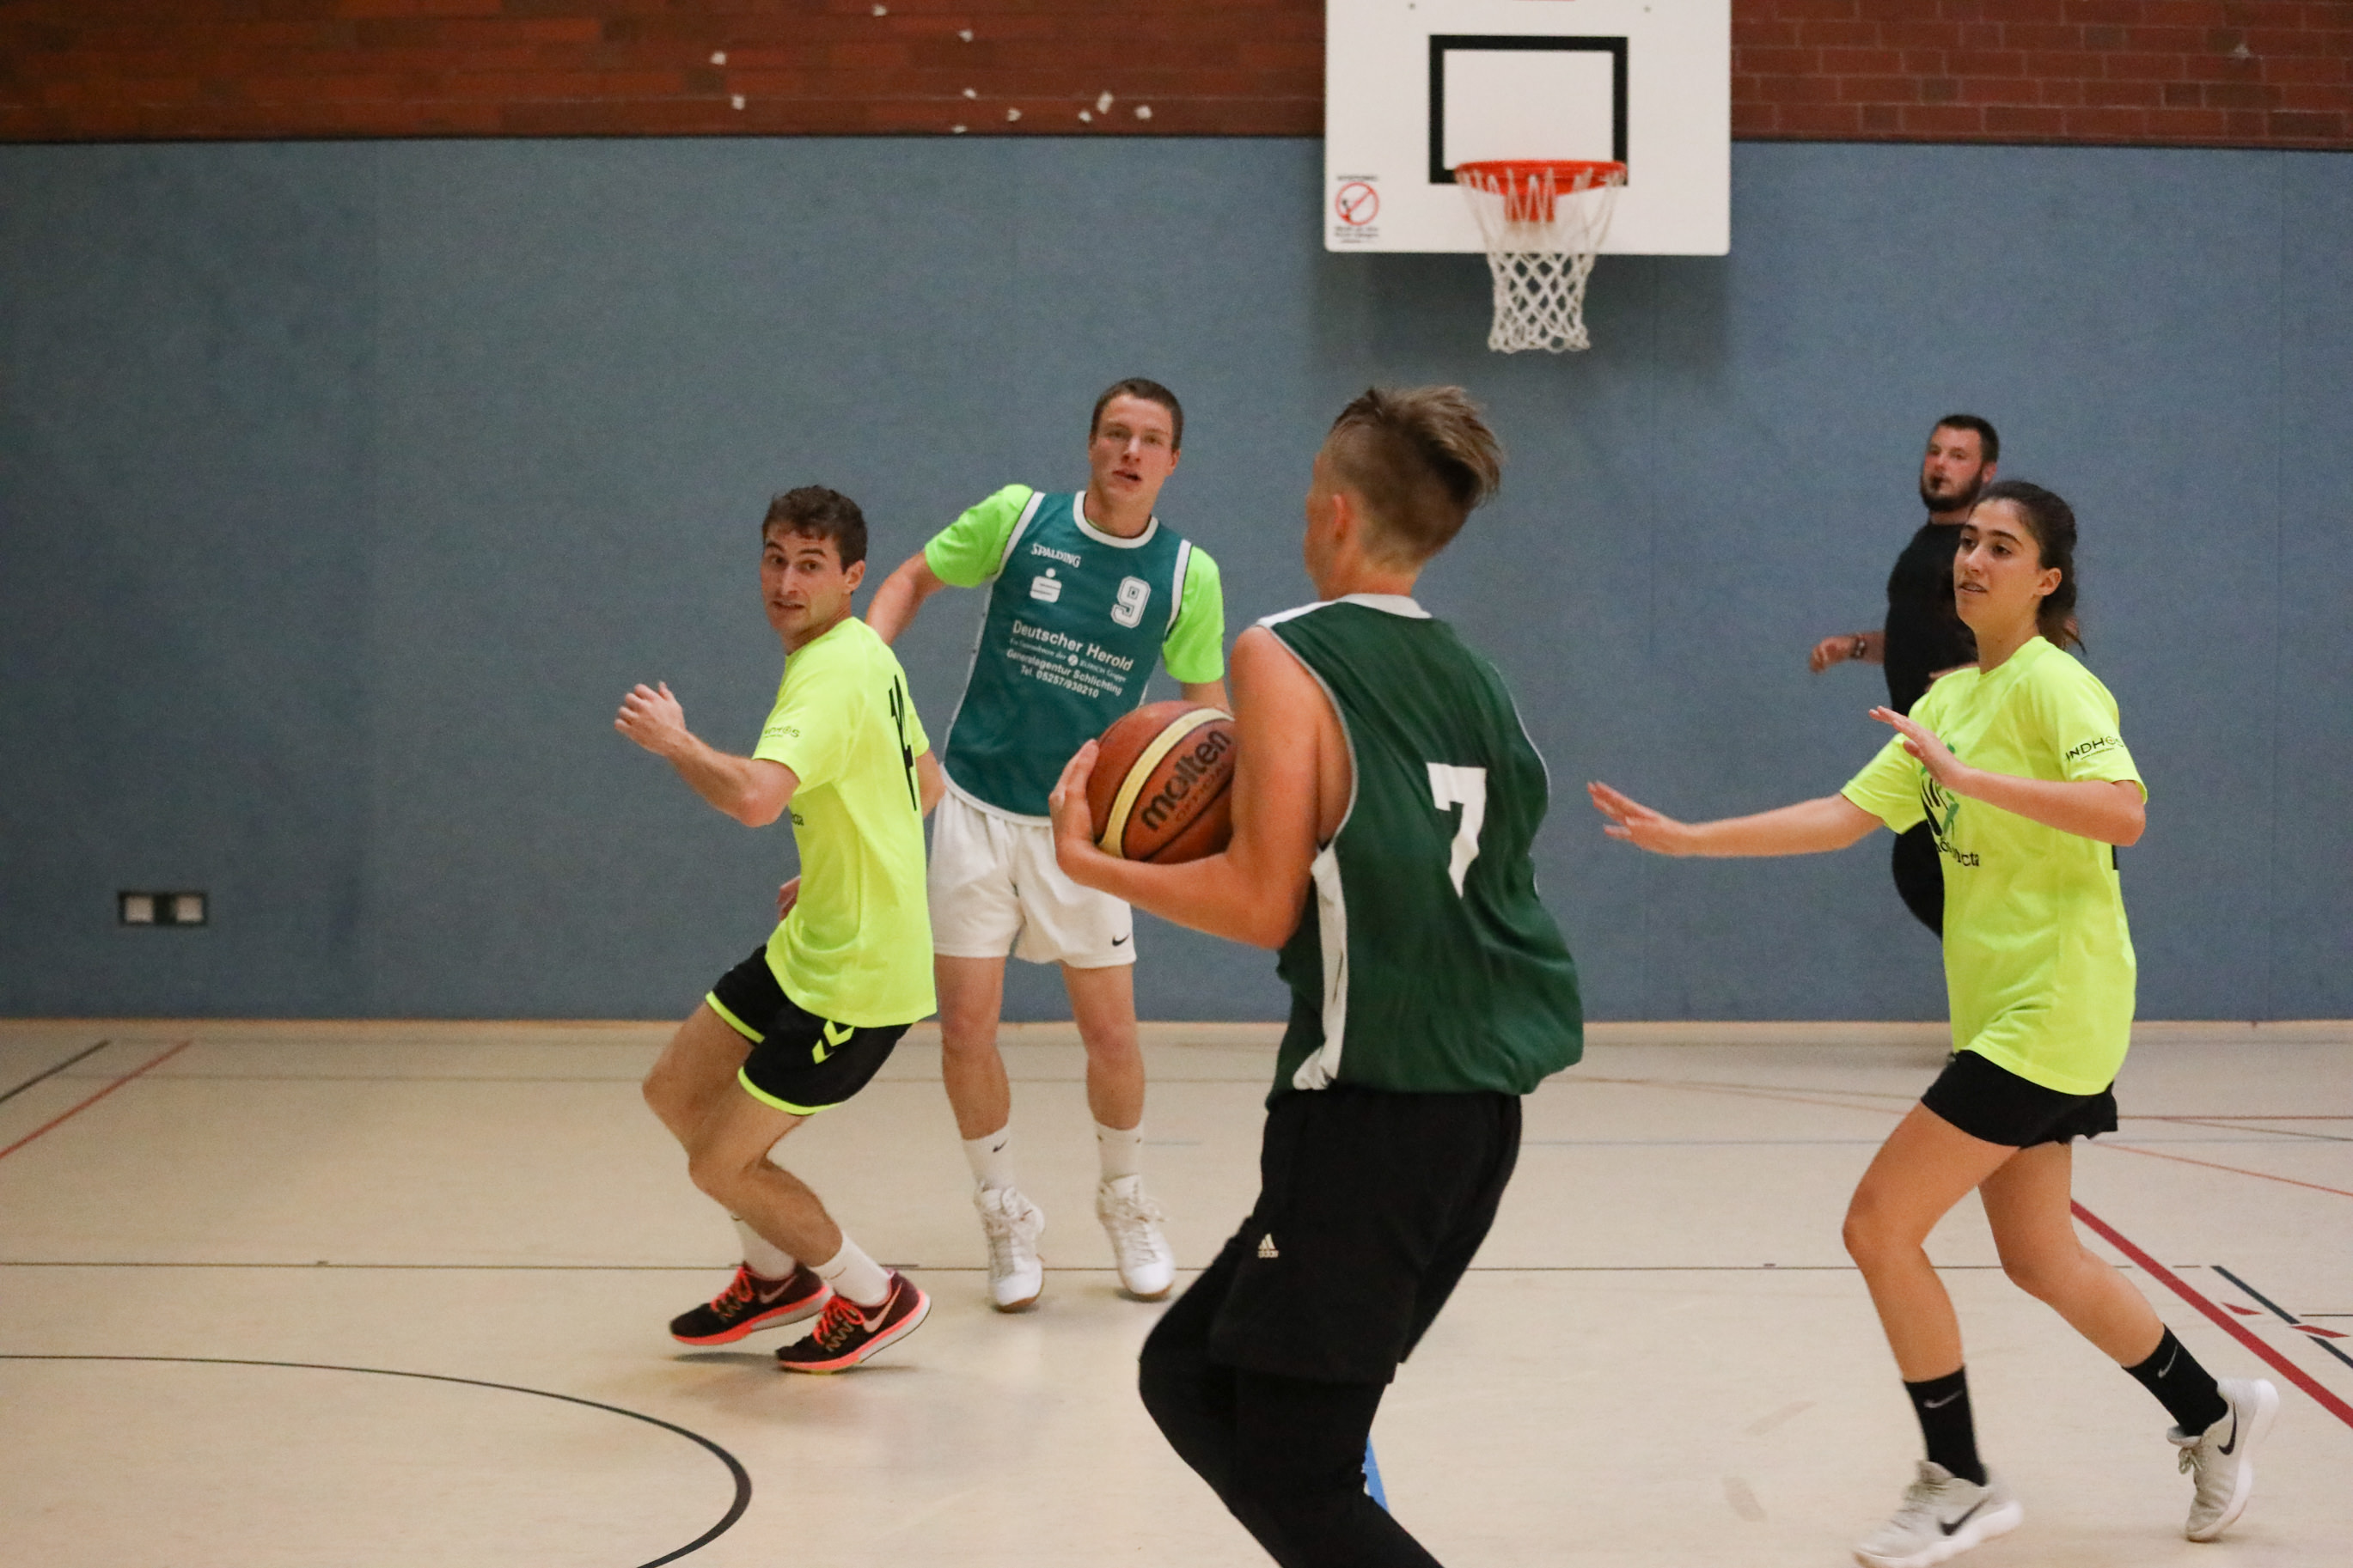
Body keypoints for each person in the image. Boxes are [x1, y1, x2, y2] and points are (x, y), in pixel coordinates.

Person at [1592, 480, 2276, 1566]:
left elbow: (2124, 811)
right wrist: (1689, 838)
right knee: (2040, 1257)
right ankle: (2211, 1411)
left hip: (2054, 1004)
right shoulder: (1951, 698)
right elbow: (1840, 815)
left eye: (2000, 546)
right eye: (1967, 542)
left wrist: (1973, 780)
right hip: (1998, 1007)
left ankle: (1956, 1479)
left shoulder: (2055, 686)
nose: (1972, 560)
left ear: (2044, 579)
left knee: (1877, 1224)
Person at [1046, 386, 1583, 1567]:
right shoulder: (1479, 679)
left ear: (1336, 513)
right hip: (1474, 1121)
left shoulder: (1283, 651)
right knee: (1190, 1374)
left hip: (1369, 1120)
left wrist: (1092, 862)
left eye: (1305, 500)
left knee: (1301, 1478)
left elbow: (1260, 899)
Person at [865, 378, 1228, 1309]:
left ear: (1173, 461)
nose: (1131, 451)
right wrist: (865, 671)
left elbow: (1208, 720)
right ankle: (1002, 1211)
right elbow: (907, 579)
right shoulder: (1018, 519)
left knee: (1111, 1035)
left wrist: (1207, 824)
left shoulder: (1187, 574)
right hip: (977, 808)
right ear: (1091, 443)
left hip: (1083, 830)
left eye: (1150, 439)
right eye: (1116, 433)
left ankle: (1125, 1197)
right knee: (964, 1031)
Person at [617, 485, 944, 1372]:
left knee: (720, 1164)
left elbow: (758, 800)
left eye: (809, 565)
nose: (786, 583)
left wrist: (677, 743)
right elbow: (924, 781)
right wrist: (838, 867)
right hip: (815, 941)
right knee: (674, 1091)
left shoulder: (831, 674)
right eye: (774, 559)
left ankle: (873, 1295)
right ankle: (773, 1279)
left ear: (852, 575)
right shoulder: (865, 652)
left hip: (858, 979)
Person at [1808, 416, 1999, 936]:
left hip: (1973, 745)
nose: (1940, 464)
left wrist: (1976, 673)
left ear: (1986, 472)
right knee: (1923, 871)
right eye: (1935, 452)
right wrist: (1856, 646)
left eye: (1958, 456)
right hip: (1925, 746)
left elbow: (2055, 630)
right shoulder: (1925, 545)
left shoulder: (1982, 549)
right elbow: (1918, 635)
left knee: (1935, 874)